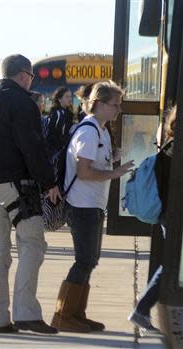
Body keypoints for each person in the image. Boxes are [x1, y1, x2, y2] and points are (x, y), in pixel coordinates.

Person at [0, 54, 61, 334]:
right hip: (18, 185)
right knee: (32, 244)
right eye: (31, 76)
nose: (31, 81)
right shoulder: (23, 103)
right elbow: (32, 145)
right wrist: (48, 182)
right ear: (23, 75)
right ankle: (26, 312)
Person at [51, 81, 135, 332]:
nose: (118, 110)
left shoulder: (99, 130)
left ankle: (76, 313)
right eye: (114, 105)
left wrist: (115, 158)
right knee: (85, 259)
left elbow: (96, 162)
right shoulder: (89, 132)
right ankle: (64, 315)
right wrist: (114, 172)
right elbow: (84, 171)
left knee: (90, 259)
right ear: (98, 104)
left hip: (91, 204)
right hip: (82, 205)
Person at [127, 107, 176, 333]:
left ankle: (143, 309)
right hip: (175, 216)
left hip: (170, 215)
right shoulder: (176, 150)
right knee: (171, 266)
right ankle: (142, 309)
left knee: (171, 265)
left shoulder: (169, 147)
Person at [47, 87, 75, 155]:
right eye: (67, 97)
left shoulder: (68, 113)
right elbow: (54, 135)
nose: (70, 99)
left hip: (66, 149)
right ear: (59, 99)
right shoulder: (57, 113)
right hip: (57, 151)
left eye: (70, 96)